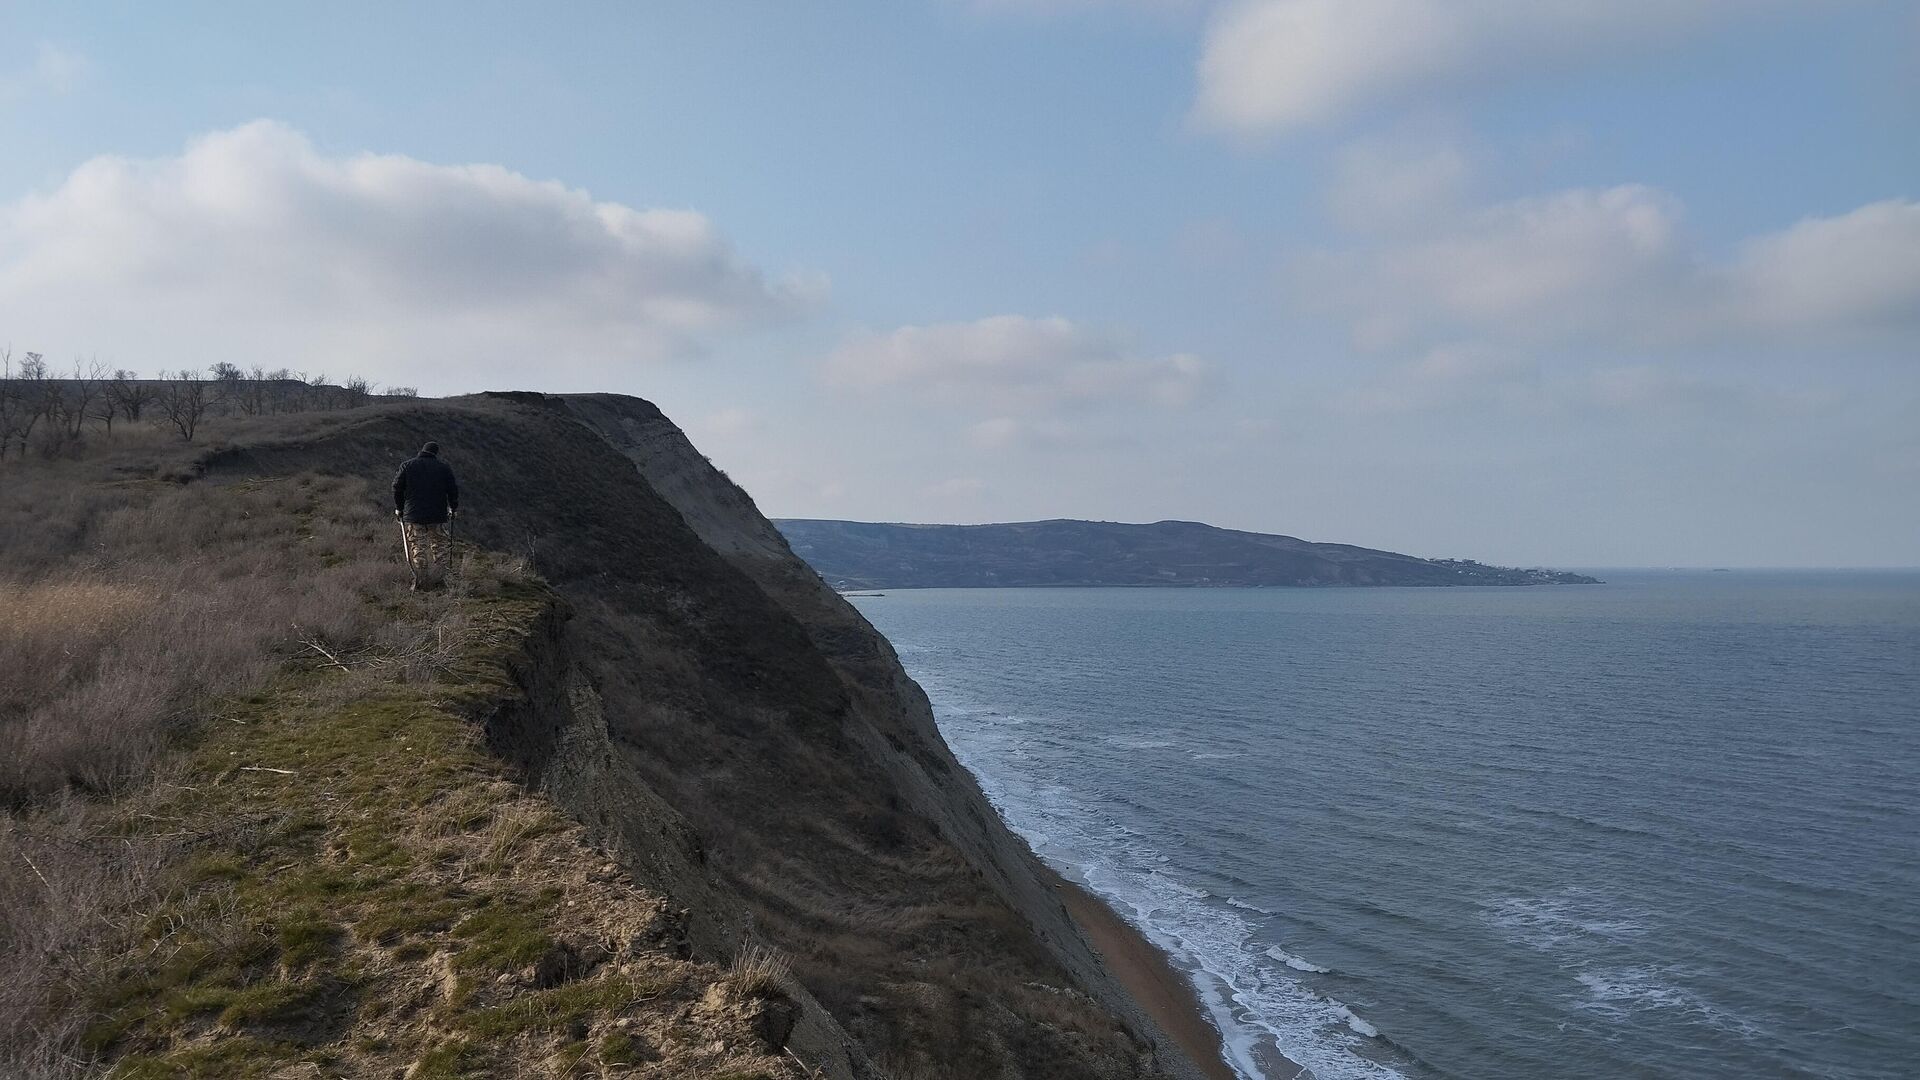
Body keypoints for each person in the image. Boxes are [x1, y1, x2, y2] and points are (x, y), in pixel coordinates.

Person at [392, 441, 459, 589]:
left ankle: (421, 580)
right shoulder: (443, 468)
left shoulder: (407, 466)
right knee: (440, 547)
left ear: (422, 450)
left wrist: (399, 508)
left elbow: (396, 487)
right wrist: (453, 508)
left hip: (414, 515)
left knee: (418, 547)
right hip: (437, 514)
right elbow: (453, 490)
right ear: (436, 453)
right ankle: (440, 579)